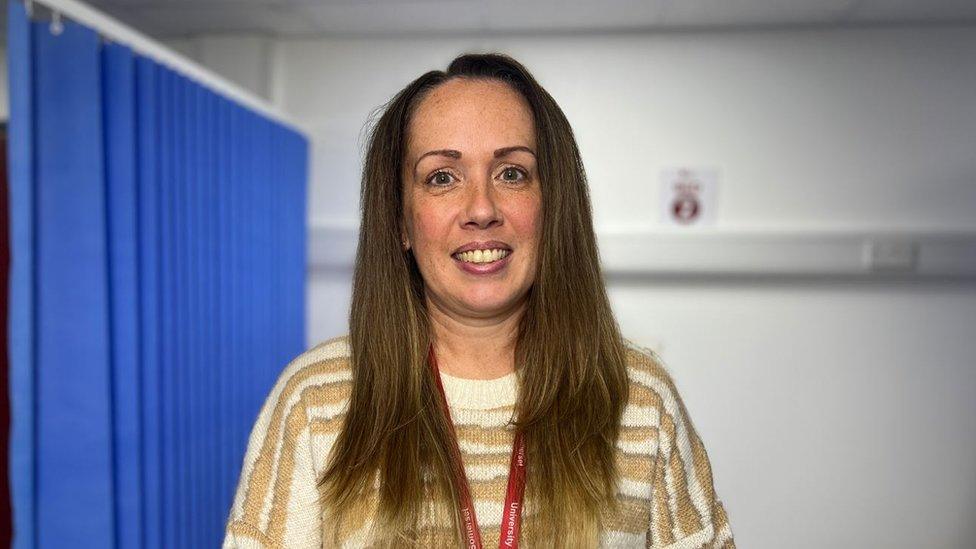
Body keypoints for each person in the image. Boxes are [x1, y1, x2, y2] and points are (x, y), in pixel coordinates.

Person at [223, 53, 734, 548]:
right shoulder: (315, 403)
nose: (482, 209)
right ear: (401, 220)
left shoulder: (639, 400)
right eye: (442, 178)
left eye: (511, 172)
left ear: (553, 203)